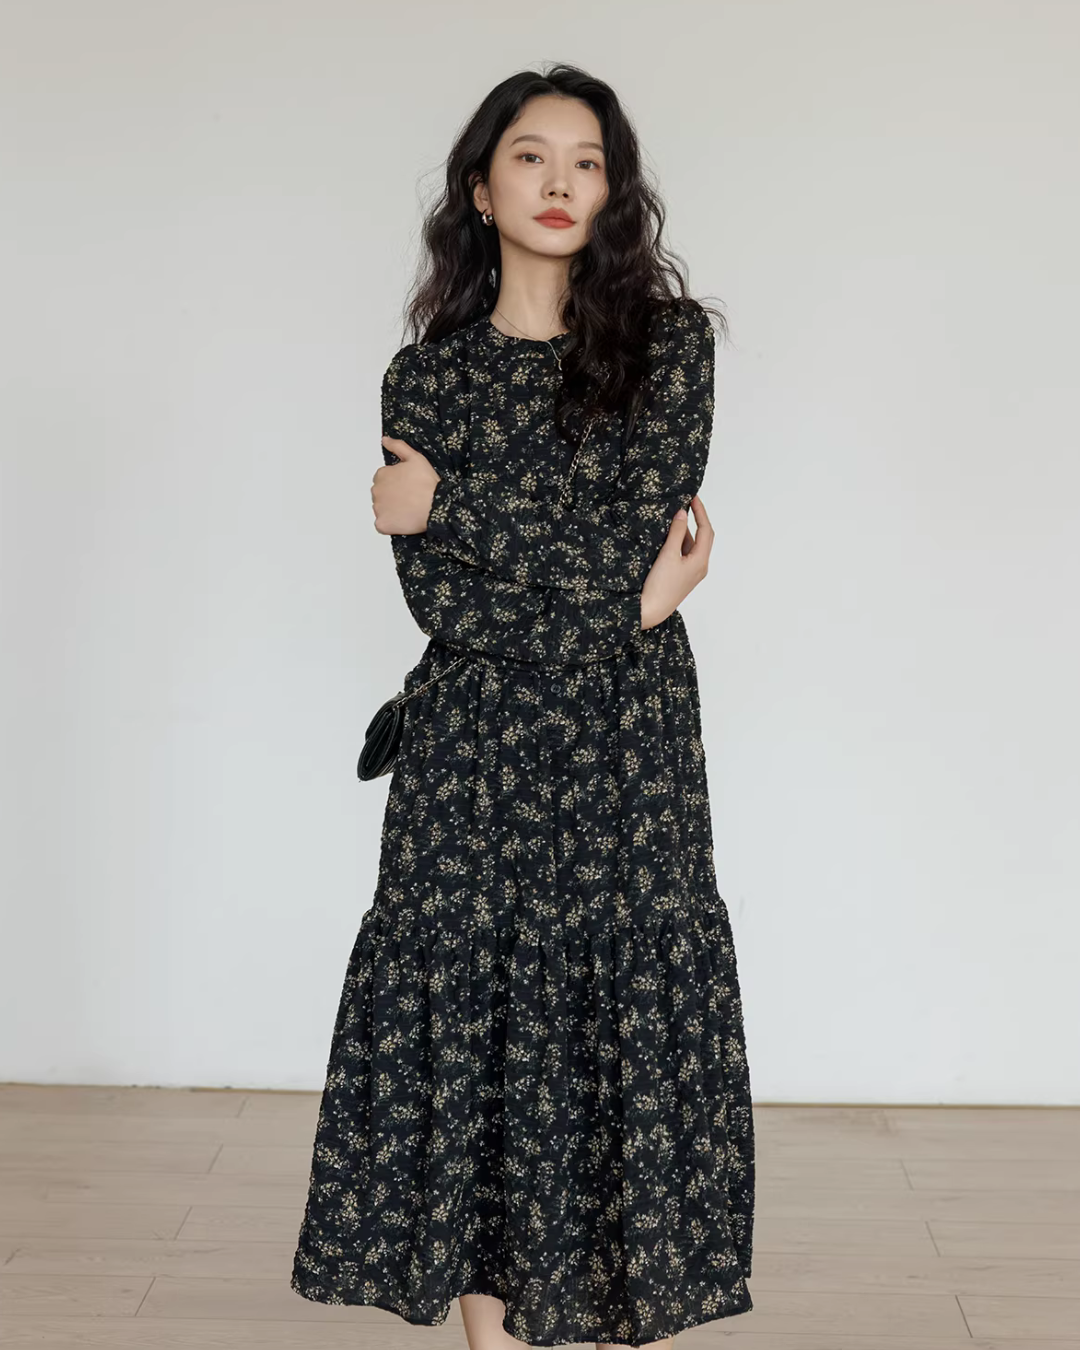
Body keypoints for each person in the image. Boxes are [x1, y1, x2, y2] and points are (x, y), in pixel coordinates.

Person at [291, 62, 754, 1350]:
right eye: (531, 157)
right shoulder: (425, 381)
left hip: (628, 750)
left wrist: (453, 505)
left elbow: (623, 539)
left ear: (613, 191)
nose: (560, 181)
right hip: (473, 753)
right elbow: (447, 605)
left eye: (587, 161)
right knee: (479, 1027)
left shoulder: (667, 348)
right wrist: (623, 610)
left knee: (615, 1017)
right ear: (481, 189)